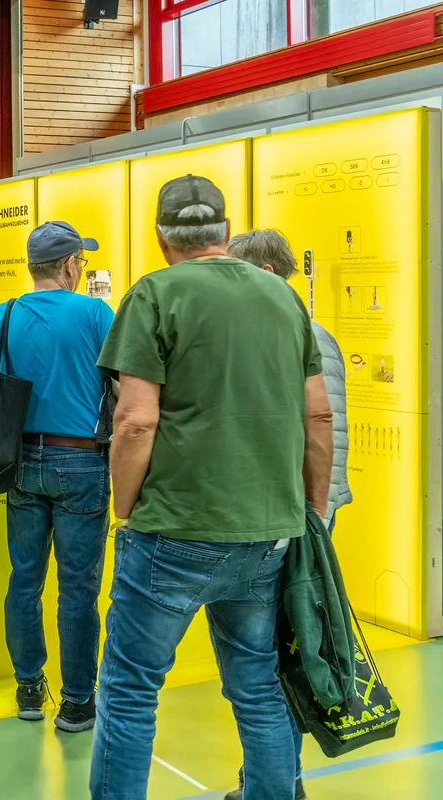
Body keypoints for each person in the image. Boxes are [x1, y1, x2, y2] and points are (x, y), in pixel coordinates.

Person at [91, 175, 333, 799]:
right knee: (257, 685)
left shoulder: (153, 295)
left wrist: (123, 508)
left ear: (161, 238)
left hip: (171, 530)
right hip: (266, 531)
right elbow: (318, 415)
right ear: (225, 232)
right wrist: (309, 506)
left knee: (129, 687)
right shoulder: (284, 300)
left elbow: (136, 418)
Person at [225, 228, 352, 800]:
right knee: (279, 652)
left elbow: (320, 430)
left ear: (268, 274)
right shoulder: (294, 332)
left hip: (300, 517)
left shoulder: (305, 336)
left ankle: (280, 784)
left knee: (287, 653)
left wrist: (313, 516)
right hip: (292, 512)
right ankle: (271, 779)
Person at [0, 221, 114, 728]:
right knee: (78, 588)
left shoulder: (3, 314)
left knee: (25, 579)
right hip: (81, 461)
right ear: (69, 264)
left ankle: (29, 690)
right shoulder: (97, 313)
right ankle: (78, 701)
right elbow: (121, 387)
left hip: (21, 462)